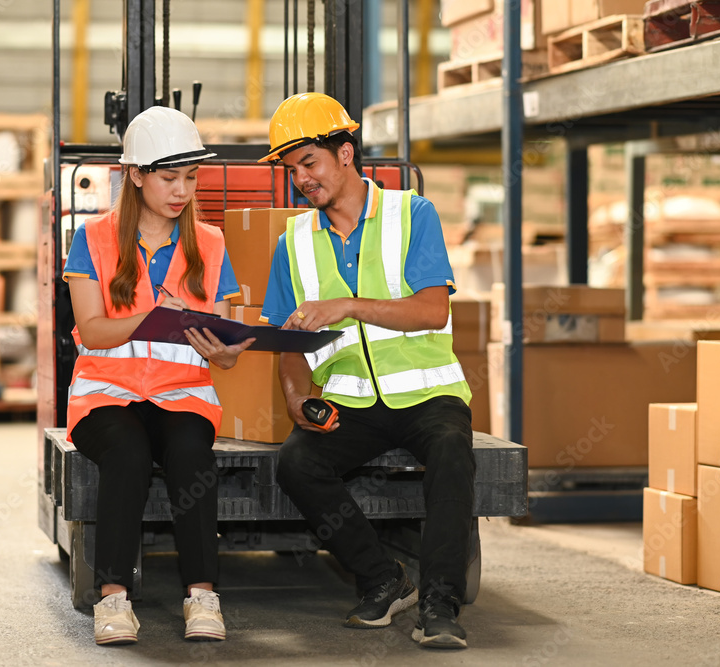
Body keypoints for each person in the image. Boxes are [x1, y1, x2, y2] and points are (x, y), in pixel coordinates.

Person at [258, 92, 476, 650]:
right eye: (291, 170)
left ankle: (440, 601)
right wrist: (293, 399)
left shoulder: (412, 214)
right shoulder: (293, 241)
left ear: (346, 154)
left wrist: (349, 303)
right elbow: (288, 340)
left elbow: (432, 310)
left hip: (428, 394)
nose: (301, 179)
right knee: (297, 465)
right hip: (351, 402)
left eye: (309, 163)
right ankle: (383, 578)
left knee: (452, 453)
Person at [63, 106, 253, 645]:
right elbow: (93, 331)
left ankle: (202, 595)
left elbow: (230, 352)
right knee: (124, 455)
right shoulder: (94, 239)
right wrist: (149, 316)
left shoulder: (210, 244)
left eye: (190, 178)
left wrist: (223, 349)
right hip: (105, 397)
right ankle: (113, 599)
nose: (182, 191)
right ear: (137, 175)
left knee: (192, 455)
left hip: (181, 397)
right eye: (170, 177)